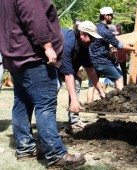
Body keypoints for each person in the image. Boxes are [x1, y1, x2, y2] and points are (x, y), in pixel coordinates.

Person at [0, 0, 86, 168]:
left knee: (22, 103)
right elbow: (34, 17)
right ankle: (56, 154)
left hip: (16, 55)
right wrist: (47, 45)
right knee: (45, 103)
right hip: (33, 56)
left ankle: (25, 148)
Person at [59, 21, 105, 130]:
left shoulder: (84, 45)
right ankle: (48, 125)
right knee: (53, 87)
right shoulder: (67, 43)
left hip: (64, 69)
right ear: (82, 34)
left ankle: (74, 120)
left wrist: (101, 91)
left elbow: (90, 69)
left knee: (77, 82)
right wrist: (74, 100)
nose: (93, 41)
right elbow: (68, 74)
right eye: (91, 38)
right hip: (49, 66)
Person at [89, 6, 137, 92]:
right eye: (111, 15)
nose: (112, 18)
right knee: (119, 78)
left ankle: (88, 104)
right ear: (105, 16)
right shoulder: (105, 31)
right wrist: (133, 48)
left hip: (92, 61)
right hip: (102, 61)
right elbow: (119, 45)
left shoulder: (96, 28)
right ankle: (120, 102)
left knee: (92, 86)